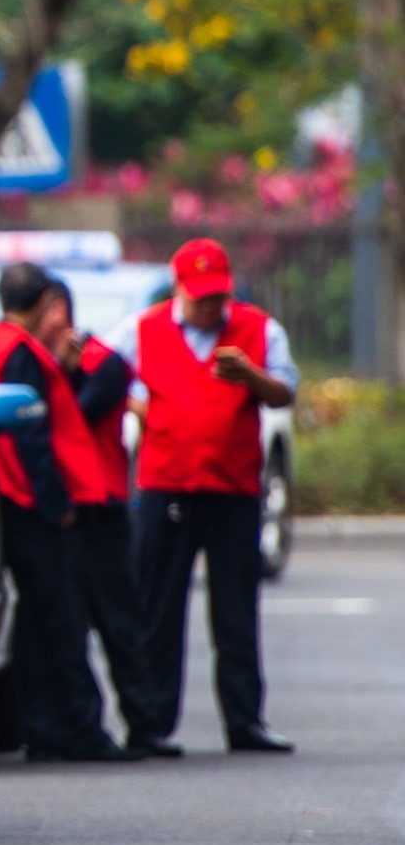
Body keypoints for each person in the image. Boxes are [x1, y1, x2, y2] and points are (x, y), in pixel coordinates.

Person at [0, 261, 146, 762]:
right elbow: (33, 438)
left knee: (38, 621)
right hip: (35, 507)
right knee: (62, 620)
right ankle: (80, 730)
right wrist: (56, 503)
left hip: (12, 499)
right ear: (47, 302)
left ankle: (44, 726)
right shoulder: (20, 352)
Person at [133, 238, 297, 753]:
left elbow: (286, 391)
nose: (210, 307)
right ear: (179, 288)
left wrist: (250, 375)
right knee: (159, 608)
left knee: (235, 609)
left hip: (231, 488)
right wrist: (147, 414)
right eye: (200, 297)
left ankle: (245, 721)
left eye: (217, 297)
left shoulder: (258, 328)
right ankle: (151, 722)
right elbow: (106, 377)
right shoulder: (142, 329)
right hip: (168, 486)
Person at [41, 281, 173, 758]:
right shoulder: (41, 365)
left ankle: (146, 725)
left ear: (59, 313)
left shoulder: (105, 362)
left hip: (102, 507)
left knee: (120, 622)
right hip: (62, 511)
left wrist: (65, 372)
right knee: (66, 624)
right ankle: (70, 727)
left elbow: (72, 418)